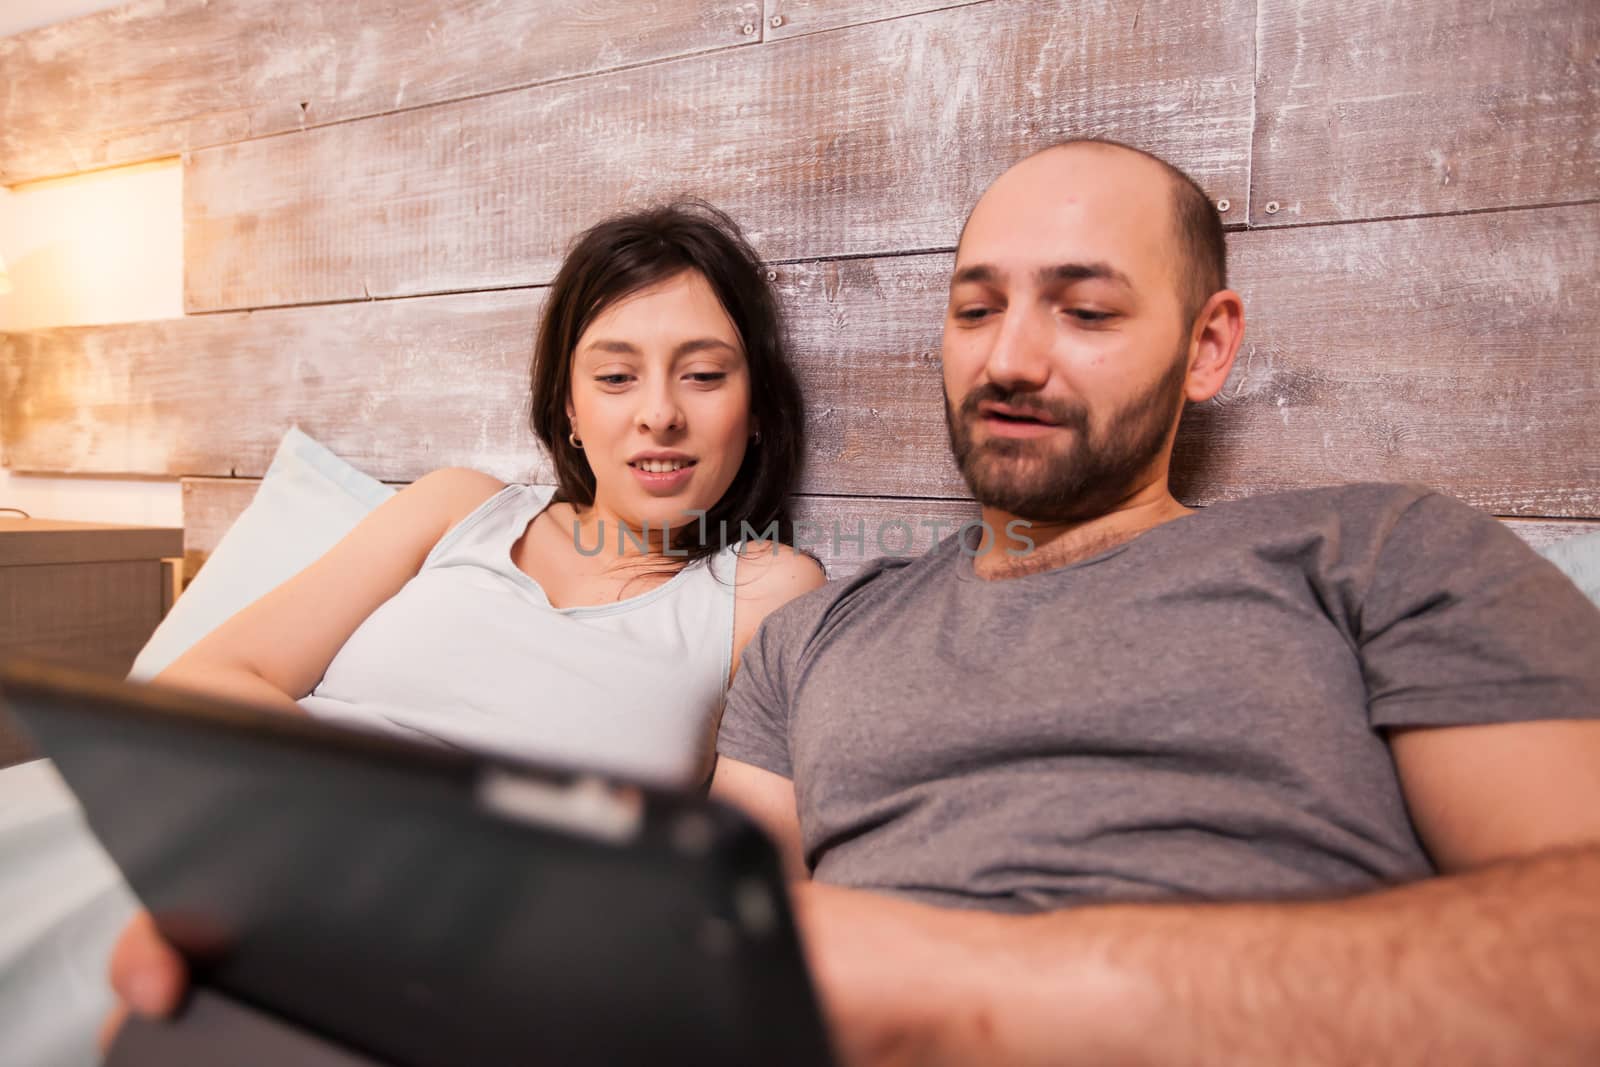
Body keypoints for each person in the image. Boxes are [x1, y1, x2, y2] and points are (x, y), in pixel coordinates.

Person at [112, 144, 1600, 1063]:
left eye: (1084, 309)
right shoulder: (833, 636)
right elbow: (708, 939)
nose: (1013, 354)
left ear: (1210, 346)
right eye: (973, 306)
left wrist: (976, 987)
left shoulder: (1377, 552)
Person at [152, 199, 824, 784]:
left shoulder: (765, 591)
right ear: (568, 408)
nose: (659, 414)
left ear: (758, 407)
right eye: (616, 377)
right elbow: (204, 681)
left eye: (704, 374)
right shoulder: (456, 507)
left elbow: (745, 861)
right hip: (278, 815)